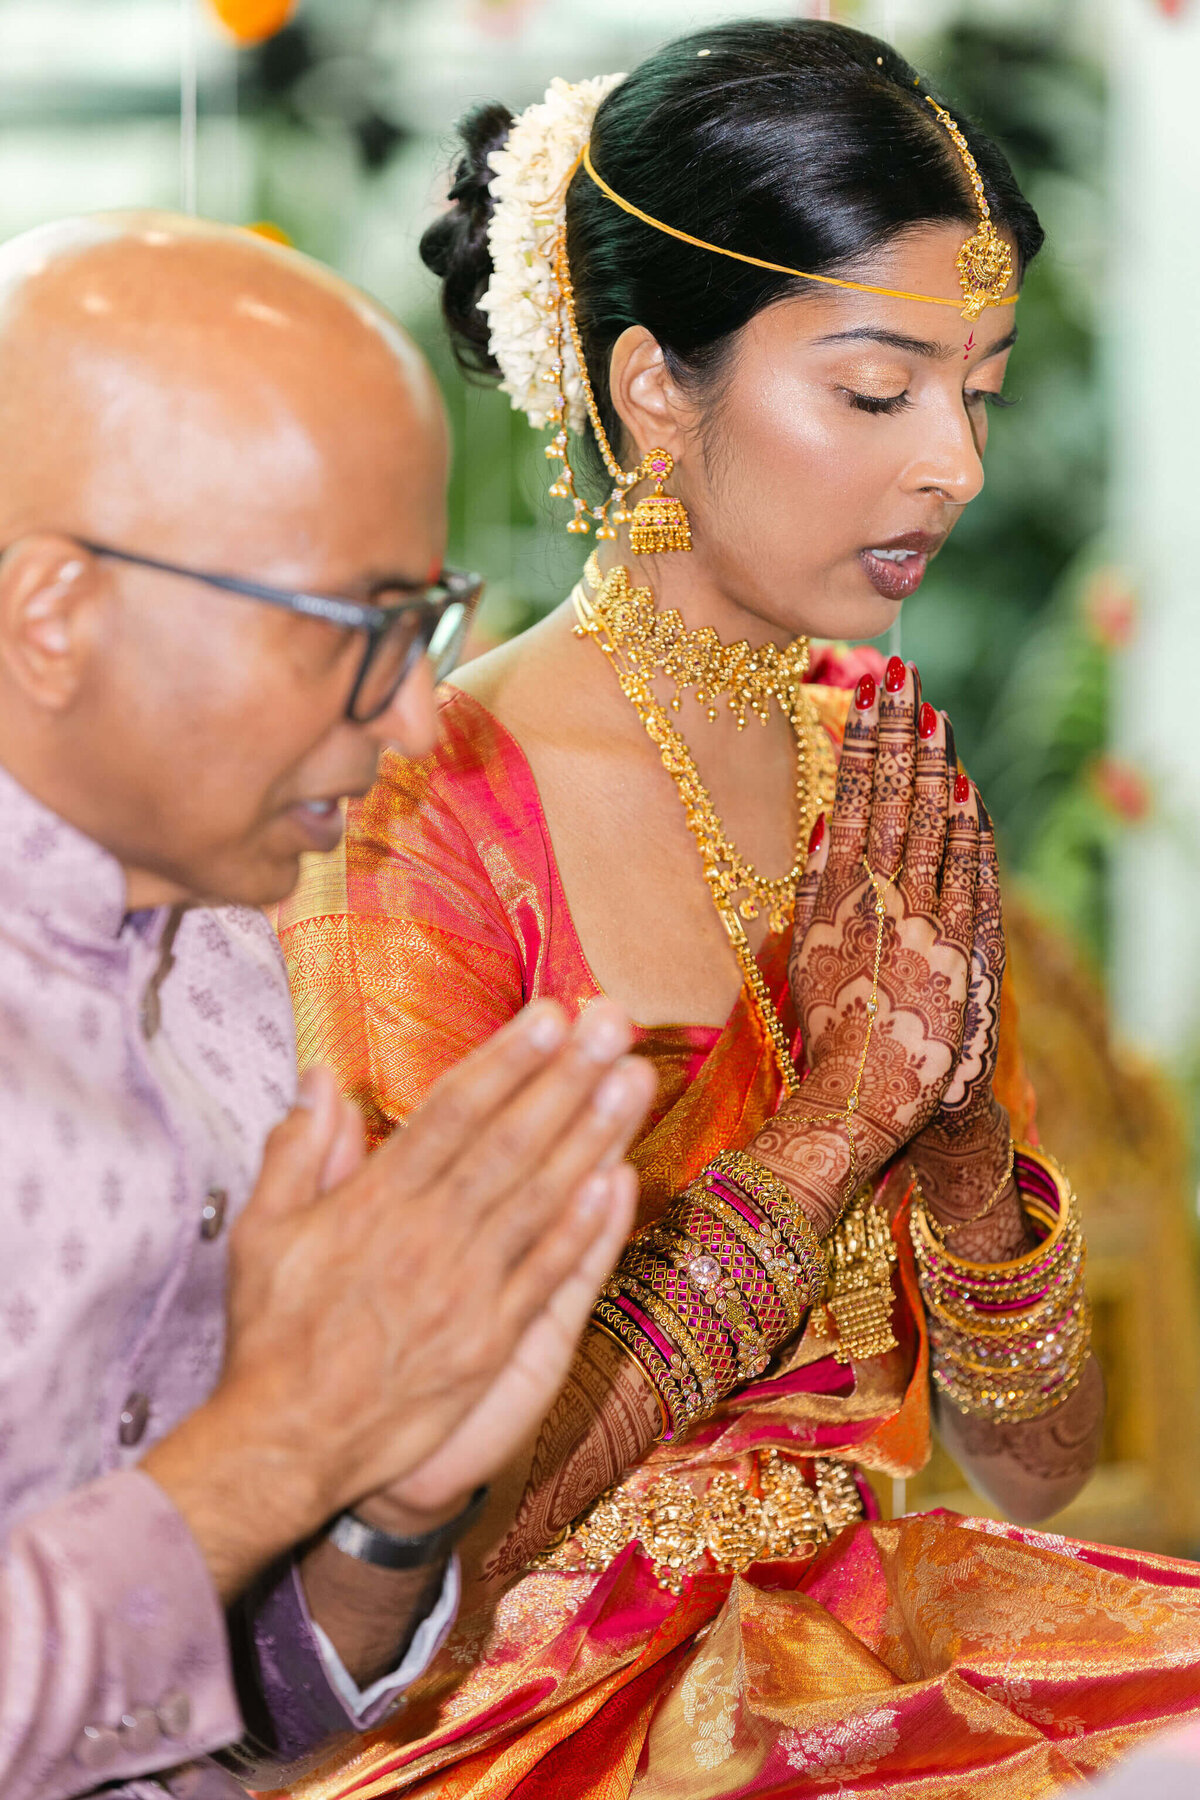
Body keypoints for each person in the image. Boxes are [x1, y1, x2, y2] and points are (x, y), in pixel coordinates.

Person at [276, 21, 1200, 1799]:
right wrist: (836, 1122)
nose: (958, 466)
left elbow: (1039, 1465)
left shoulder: (886, 772)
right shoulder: (426, 814)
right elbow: (404, 1555)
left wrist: (957, 1158)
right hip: (533, 1703)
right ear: (653, 389)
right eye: (878, 392)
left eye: (982, 393)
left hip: (873, 1625)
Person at [0, 212, 660, 1800]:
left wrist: (390, 1507)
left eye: (423, 623)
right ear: (53, 615)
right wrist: (280, 1441)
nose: (420, 712)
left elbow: (210, 1711)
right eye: (354, 628)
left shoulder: (223, 960)